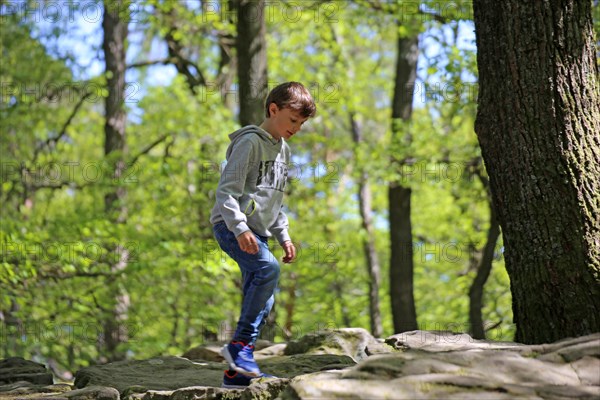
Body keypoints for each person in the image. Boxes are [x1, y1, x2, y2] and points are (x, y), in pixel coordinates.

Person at [209, 82, 316, 388]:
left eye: (302, 124)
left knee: (264, 300)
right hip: (231, 225)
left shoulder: (284, 151)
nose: (297, 128)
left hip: (261, 232)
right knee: (267, 269)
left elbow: (274, 200)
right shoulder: (250, 143)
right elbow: (226, 192)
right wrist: (240, 227)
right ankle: (239, 347)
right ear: (273, 109)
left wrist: (284, 236)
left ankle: (237, 373)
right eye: (293, 120)